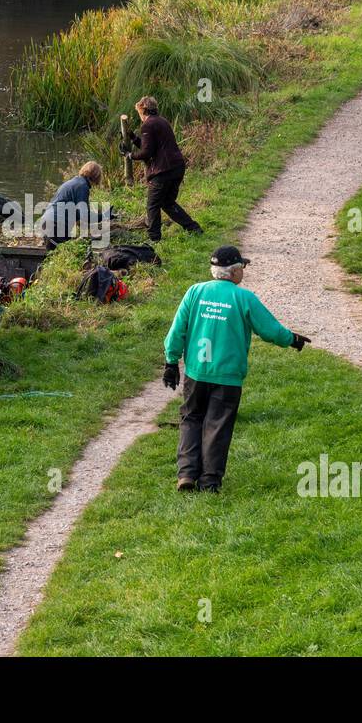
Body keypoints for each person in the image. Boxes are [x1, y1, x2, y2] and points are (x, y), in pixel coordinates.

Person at [163, 245, 310, 492]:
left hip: (196, 372)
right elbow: (269, 330)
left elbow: (177, 329)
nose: (244, 271)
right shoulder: (244, 298)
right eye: (243, 266)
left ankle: (186, 474)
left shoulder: (195, 292)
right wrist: (292, 339)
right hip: (228, 376)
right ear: (234, 271)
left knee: (191, 419)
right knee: (217, 426)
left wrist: (171, 362)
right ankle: (209, 481)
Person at [121, 96, 202, 242]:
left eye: (139, 111)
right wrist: (133, 138)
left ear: (143, 109)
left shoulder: (147, 125)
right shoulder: (161, 121)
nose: (139, 115)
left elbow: (147, 153)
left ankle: (154, 239)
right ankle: (194, 228)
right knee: (167, 203)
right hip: (177, 167)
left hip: (163, 172)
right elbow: (151, 147)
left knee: (152, 205)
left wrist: (129, 155)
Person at [39, 161, 103, 250]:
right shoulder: (83, 187)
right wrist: (103, 216)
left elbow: (76, 213)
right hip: (55, 227)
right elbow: (85, 216)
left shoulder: (73, 182)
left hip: (47, 223)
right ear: (96, 176)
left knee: (60, 252)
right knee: (63, 253)